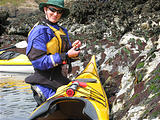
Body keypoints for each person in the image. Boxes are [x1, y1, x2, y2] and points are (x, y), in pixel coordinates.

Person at [25, 0, 81, 106]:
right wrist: (66, 55)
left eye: (59, 12)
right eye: (52, 10)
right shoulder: (40, 31)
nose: (55, 14)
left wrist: (74, 50)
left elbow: (66, 55)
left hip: (59, 80)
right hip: (44, 83)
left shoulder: (62, 31)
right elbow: (38, 62)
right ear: (45, 9)